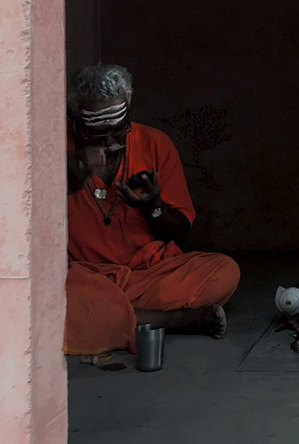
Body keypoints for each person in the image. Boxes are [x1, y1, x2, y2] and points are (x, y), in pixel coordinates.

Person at [63, 64, 240, 355]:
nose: (109, 144)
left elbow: (181, 231)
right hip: (85, 277)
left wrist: (152, 206)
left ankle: (112, 317)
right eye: (96, 135)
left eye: (118, 132)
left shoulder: (154, 143)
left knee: (224, 271)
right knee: (50, 301)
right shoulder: (55, 149)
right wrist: (73, 175)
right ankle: (173, 320)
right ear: (74, 122)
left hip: (148, 274)